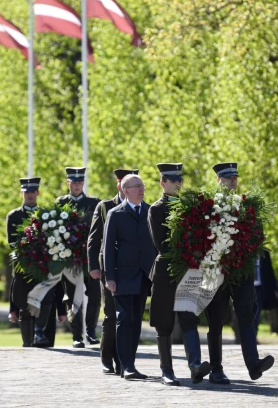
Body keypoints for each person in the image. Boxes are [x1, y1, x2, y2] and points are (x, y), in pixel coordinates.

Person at [207, 162, 274, 382]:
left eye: (235, 177)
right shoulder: (208, 207)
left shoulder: (246, 206)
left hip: (242, 271)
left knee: (246, 315)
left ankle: (254, 365)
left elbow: (258, 237)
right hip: (218, 271)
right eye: (227, 178)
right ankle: (216, 368)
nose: (233, 180)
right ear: (219, 180)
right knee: (216, 320)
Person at [149, 163, 211, 386]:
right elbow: (161, 245)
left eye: (179, 180)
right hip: (166, 271)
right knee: (164, 323)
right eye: (172, 180)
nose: (177, 184)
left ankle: (195, 366)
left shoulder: (191, 208)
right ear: (162, 183)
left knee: (188, 318)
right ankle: (166, 370)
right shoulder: (156, 209)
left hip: (189, 270)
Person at [103, 174, 156, 380]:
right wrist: (110, 277)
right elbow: (108, 248)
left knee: (135, 322)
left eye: (142, 185)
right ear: (125, 190)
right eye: (136, 186)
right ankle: (126, 366)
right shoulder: (115, 214)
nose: (141, 189)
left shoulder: (150, 211)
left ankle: (129, 363)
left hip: (144, 276)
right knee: (123, 320)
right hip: (123, 276)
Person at [88, 168, 138, 375]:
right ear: (119, 185)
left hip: (131, 269)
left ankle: (124, 361)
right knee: (111, 314)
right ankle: (107, 358)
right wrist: (94, 266)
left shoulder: (139, 206)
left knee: (128, 316)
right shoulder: (105, 206)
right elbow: (94, 238)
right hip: (109, 269)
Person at [7, 177, 62, 347]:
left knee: (45, 299)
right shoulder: (14, 216)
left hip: (43, 265)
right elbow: (12, 243)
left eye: (32, 192)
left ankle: (39, 332)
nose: (29, 195)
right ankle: (27, 340)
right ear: (21, 193)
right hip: (24, 267)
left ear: (38, 193)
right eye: (26, 192)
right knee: (25, 303)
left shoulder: (46, 215)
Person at [56, 166, 101, 348]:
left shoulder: (93, 202)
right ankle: (76, 335)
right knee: (72, 297)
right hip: (70, 259)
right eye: (73, 182)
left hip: (90, 259)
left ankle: (90, 330)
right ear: (68, 182)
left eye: (80, 182)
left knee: (95, 296)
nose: (77, 185)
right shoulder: (60, 203)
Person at [253, 250, 278, 334]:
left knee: (257, 313)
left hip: (260, 289)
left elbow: (270, 272)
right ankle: (247, 338)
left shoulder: (265, 253)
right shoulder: (245, 250)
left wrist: (275, 289)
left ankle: (253, 336)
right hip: (247, 288)